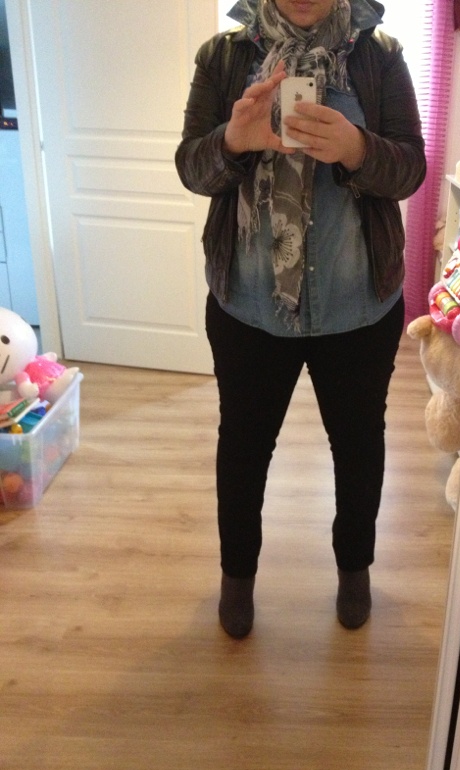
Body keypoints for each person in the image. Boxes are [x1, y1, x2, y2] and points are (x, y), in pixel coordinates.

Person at [175, 0, 426, 638]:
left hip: (357, 305)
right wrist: (233, 142)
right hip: (250, 306)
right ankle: (237, 578)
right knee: (244, 449)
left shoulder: (380, 57)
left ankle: (354, 570)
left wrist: (358, 149)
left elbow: (410, 169)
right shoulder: (223, 57)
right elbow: (192, 168)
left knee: (359, 447)